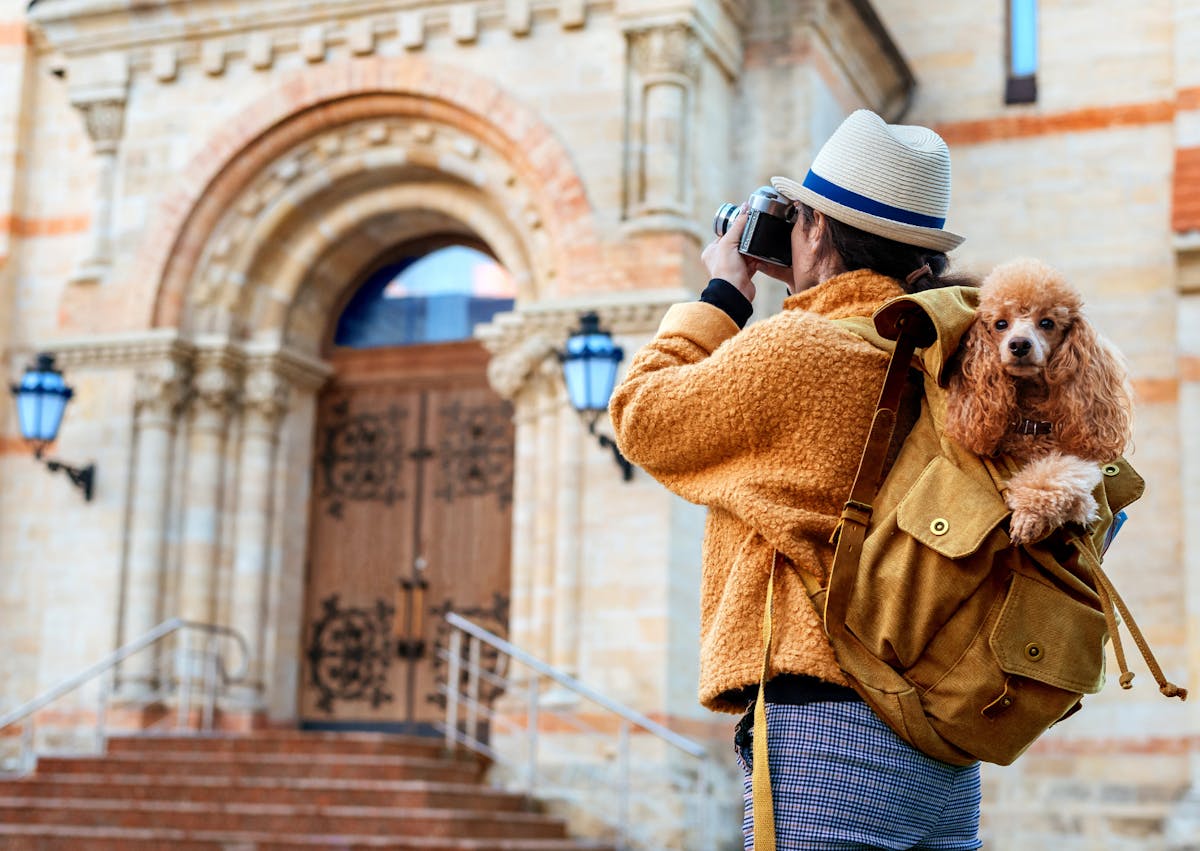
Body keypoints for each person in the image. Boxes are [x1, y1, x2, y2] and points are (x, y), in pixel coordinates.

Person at [608, 109, 983, 850]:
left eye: (802, 219)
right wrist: (808, 288)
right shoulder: (958, 353)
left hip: (828, 731)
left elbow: (641, 412)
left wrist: (726, 291)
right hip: (945, 742)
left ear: (816, 231)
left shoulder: (797, 351)